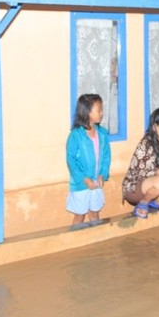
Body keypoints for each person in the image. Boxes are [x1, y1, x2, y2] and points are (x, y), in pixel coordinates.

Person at [65, 94, 111, 225]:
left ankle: (97, 241)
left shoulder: (102, 134)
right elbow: (71, 160)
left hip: (96, 183)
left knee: (94, 213)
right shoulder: (75, 135)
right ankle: (75, 241)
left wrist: (102, 174)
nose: (102, 113)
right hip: (81, 184)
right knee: (80, 216)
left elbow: (106, 157)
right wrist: (84, 179)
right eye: (99, 110)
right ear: (87, 112)